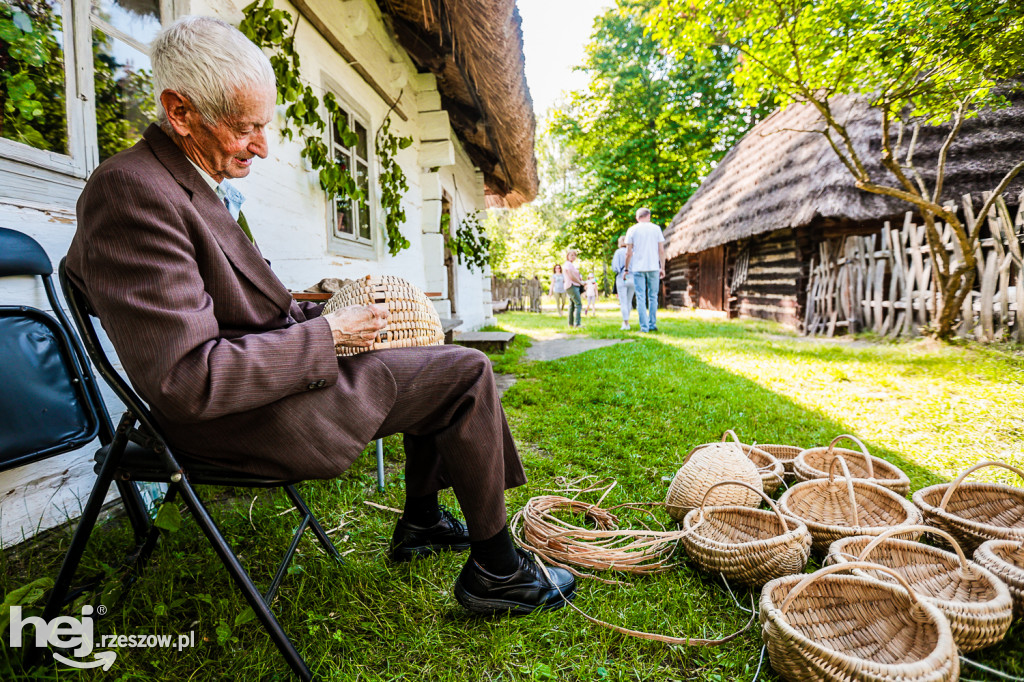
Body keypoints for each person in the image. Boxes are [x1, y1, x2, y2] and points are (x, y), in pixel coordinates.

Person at [64, 16, 574, 616]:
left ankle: (422, 522)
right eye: (246, 127)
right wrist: (329, 335)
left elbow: (234, 305)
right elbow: (186, 380)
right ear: (180, 113)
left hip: (261, 387)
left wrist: (320, 306)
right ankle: (497, 572)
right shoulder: (132, 192)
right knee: (465, 374)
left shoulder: (186, 182)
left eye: (264, 125)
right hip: (232, 419)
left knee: (427, 357)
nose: (261, 144)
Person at [624, 208, 665, 333]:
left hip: (638, 268)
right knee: (653, 296)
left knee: (641, 297)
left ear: (637, 218)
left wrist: (626, 269)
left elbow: (628, 253)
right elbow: (661, 250)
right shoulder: (656, 229)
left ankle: (644, 327)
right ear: (649, 216)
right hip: (653, 267)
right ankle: (652, 324)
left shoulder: (632, 230)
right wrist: (662, 267)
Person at [611, 236, 635, 330]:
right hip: (633, 277)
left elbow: (615, 267)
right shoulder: (633, 252)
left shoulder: (618, 252)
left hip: (622, 277)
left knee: (623, 301)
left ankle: (626, 323)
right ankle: (625, 322)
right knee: (629, 301)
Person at [562, 249, 584, 328]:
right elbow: (571, 276)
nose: (573, 257)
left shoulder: (571, 264)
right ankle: (577, 324)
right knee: (578, 304)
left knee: (572, 305)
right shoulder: (568, 264)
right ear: (567, 256)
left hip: (571, 285)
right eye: (571, 255)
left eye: (574, 255)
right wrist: (580, 282)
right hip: (572, 285)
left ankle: (570, 324)